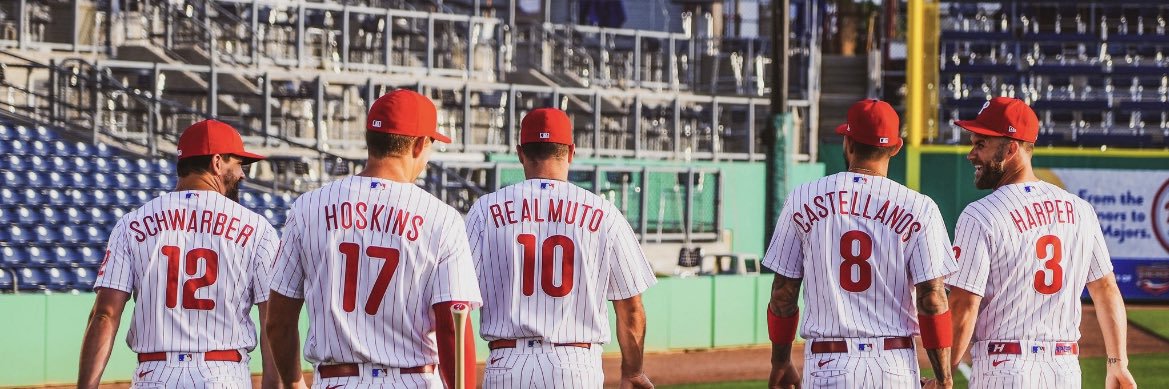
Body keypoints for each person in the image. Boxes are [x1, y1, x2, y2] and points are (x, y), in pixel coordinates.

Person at [266, 89, 482, 388]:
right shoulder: (441, 218)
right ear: (419, 145)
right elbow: (452, 327)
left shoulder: (308, 207)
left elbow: (278, 322)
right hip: (411, 380)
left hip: (337, 380)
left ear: (370, 141)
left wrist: (292, 382)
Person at [763, 99, 958, 389]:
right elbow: (932, 299)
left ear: (848, 142)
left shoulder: (802, 198)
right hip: (894, 365)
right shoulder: (920, 207)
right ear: (896, 147)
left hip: (829, 364)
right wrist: (943, 378)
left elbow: (783, 294)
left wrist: (780, 362)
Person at [946, 97, 1138, 388]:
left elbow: (964, 305)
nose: (972, 154)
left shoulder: (980, 214)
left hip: (1004, 369)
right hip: (1064, 371)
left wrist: (944, 374)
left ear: (1011, 149)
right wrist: (1118, 363)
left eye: (981, 144)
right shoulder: (1079, 210)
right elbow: (1105, 288)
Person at [78, 119, 281, 388]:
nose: (242, 174)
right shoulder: (257, 228)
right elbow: (273, 321)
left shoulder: (132, 224)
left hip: (155, 374)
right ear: (217, 163)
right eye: (238, 164)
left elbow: (105, 315)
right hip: (223, 374)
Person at [464, 108, 657, 389]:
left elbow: (455, 302)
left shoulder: (485, 211)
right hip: (575, 364)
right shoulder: (604, 213)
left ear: (520, 153)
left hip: (507, 363)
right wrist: (632, 371)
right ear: (571, 151)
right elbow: (631, 309)